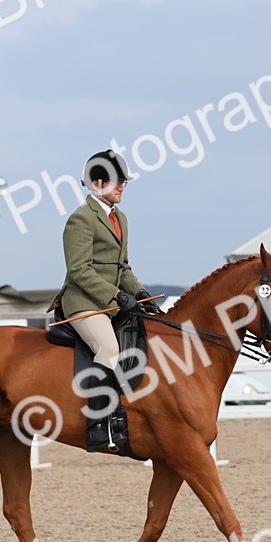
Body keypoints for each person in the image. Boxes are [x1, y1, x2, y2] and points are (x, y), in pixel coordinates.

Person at [53, 148, 162, 452]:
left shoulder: (120, 218)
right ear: (97, 183)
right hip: (84, 303)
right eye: (118, 182)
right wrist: (116, 294)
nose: (122, 187)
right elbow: (79, 270)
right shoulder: (81, 219)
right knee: (109, 348)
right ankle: (98, 425)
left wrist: (139, 293)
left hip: (111, 303)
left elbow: (122, 267)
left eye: (124, 182)